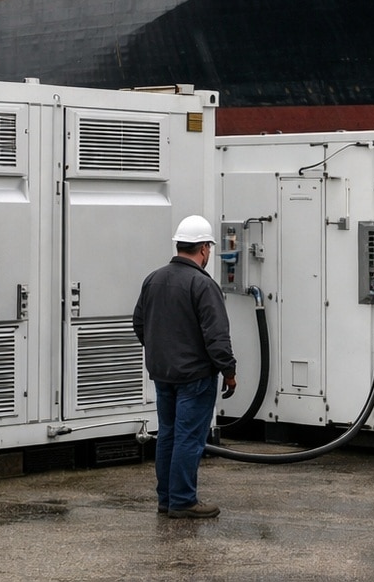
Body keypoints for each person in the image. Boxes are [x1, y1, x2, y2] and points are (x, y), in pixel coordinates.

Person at [133, 215, 237, 519]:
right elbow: (217, 336)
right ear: (204, 248)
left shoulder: (153, 279)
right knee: (189, 438)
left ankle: (166, 499)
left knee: (167, 434)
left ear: (179, 244)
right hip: (195, 376)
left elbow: (139, 323)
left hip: (163, 374)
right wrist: (228, 372)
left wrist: (160, 352)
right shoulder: (202, 284)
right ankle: (182, 500)